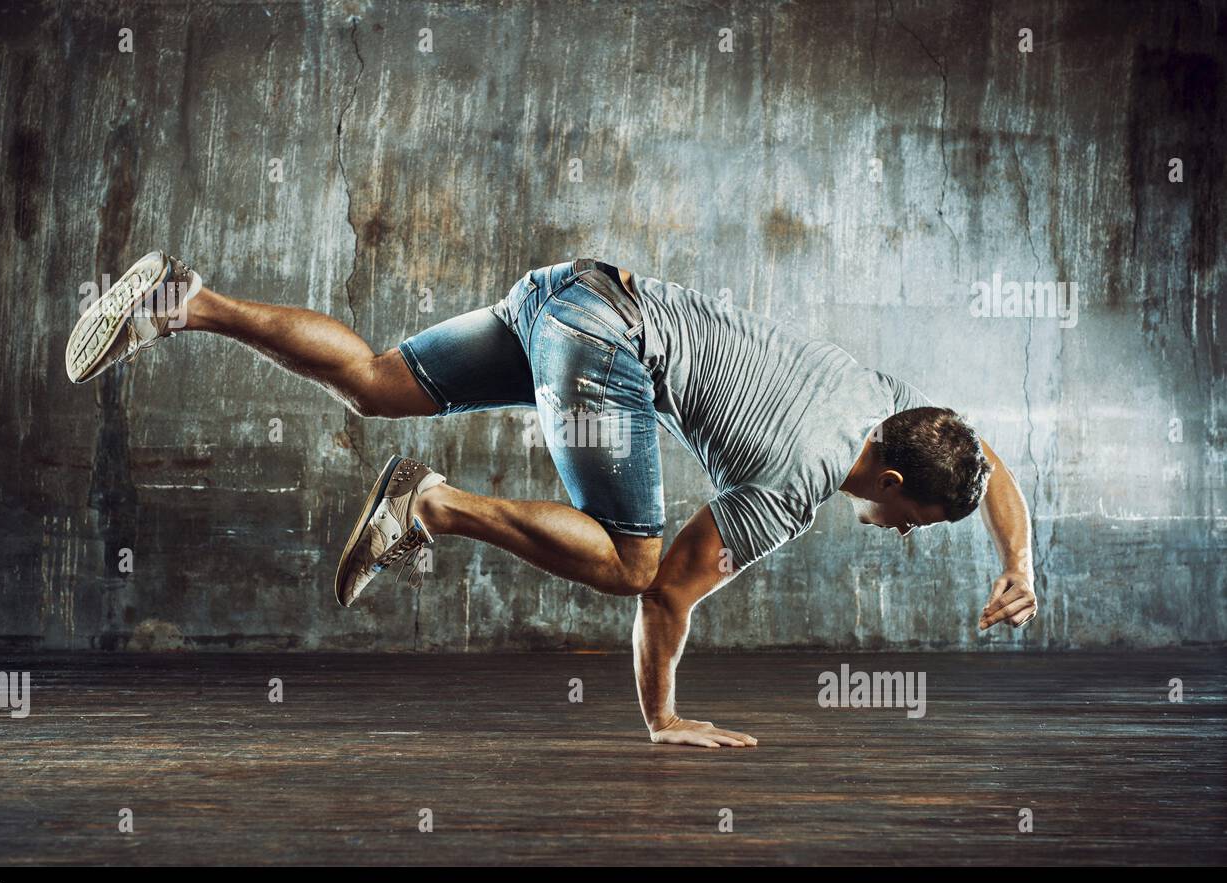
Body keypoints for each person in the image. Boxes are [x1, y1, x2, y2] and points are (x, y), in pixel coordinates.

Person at [66, 252, 1037, 748]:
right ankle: (432, 503)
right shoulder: (796, 483)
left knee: (372, 379)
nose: (906, 536)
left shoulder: (880, 397)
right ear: (897, 486)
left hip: (565, 289)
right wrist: (662, 716)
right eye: (915, 522)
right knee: (637, 557)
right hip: (605, 344)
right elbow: (665, 596)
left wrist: (1017, 561)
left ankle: (186, 302)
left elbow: (980, 455)